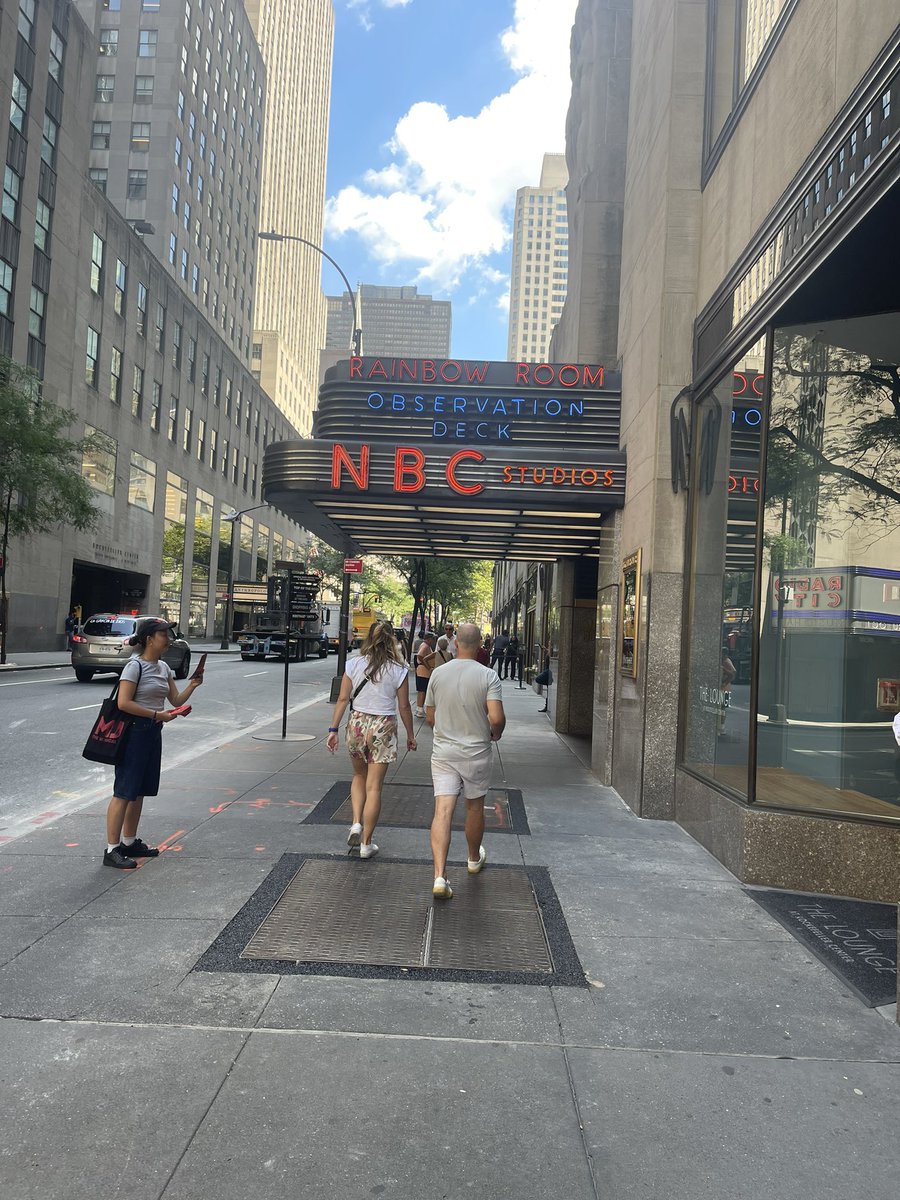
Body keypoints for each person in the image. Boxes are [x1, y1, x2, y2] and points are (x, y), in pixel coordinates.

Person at [104, 618, 203, 869]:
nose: (169, 639)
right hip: (134, 733)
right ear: (149, 638)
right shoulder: (134, 667)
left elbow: (175, 698)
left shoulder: (163, 668)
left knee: (139, 791)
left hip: (152, 732)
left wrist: (192, 684)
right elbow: (123, 703)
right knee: (124, 791)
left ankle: (129, 842)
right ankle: (112, 849)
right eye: (164, 635)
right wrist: (157, 715)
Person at [425, 623, 506, 900]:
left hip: (444, 753)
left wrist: (444, 728)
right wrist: (495, 733)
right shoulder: (488, 676)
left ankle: (439, 875)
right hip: (476, 752)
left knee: (442, 811)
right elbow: (495, 718)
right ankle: (473, 859)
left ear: (456, 642)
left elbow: (429, 714)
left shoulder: (438, 674)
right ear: (481, 645)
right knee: (474, 807)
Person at [326, 619, 416, 859]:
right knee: (374, 785)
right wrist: (410, 734)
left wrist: (333, 729)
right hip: (383, 725)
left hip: (357, 723)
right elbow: (405, 706)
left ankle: (356, 822)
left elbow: (343, 699)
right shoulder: (399, 670)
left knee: (358, 775)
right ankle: (366, 843)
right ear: (392, 642)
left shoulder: (353, 664)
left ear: (368, 639)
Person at [414, 631, 437, 718]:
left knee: (422, 690)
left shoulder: (425, 645)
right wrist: (427, 666)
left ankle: (420, 708)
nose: (433, 641)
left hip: (424, 672)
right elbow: (419, 656)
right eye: (432, 639)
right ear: (429, 639)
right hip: (423, 672)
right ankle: (419, 709)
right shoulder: (425, 646)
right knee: (422, 690)